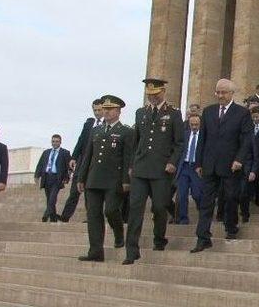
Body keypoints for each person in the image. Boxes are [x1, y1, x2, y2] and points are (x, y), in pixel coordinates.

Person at [123, 78, 184, 265]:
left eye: (156, 94)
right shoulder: (141, 113)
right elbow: (137, 141)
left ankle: (159, 238)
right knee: (135, 209)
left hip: (161, 170)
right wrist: (132, 164)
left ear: (163, 92)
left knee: (159, 207)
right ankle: (131, 251)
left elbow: (179, 143)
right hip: (141, 168)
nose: (153, 98)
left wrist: (172, 162)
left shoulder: (173, 114)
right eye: (150, 95)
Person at [190, 79, 253, 253]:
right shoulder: (209, 112)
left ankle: (231, 227)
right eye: (218, 92)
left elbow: (246, 140)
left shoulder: (242, 113)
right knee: (206, 202)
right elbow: (202, 138)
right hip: (210, 164)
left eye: (223, 92)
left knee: (231, 197)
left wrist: (239, 159)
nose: (220, 95)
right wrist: (198, 162)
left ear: (232, 93)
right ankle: (203, 237)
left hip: (231, 164)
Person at [77, 95, 134, 262]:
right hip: (94, 178)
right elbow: (88, 155)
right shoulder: (96, 131)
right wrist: (82, 177)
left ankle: (118, 232)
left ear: (118, 111)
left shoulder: (126, 132)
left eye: (110, 109)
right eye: (105, 109)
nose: (106, 112)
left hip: (113, 180)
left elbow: (127, 158)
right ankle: (95, 251)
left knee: (110, 210)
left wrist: (126, 180)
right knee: (93, 214)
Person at [59, 99, 104, 222]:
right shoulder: (89, 123)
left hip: (95, 164)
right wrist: (73, 157)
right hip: (82, 162)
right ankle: (64, 217)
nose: (97, 112)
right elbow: (81, 140)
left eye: (99, 110)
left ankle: (91, 218)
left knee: (90, 193)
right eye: (95, 110)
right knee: (74, 192)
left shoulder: (107, 125)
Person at [34, 134, 71, 222]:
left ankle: (46, 214)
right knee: (49, 198)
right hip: (46, 177)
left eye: (57, 141)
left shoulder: (65, 153)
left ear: (60, 142)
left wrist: (67, 178)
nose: (55, 143)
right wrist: (36, 175)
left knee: (52, 198)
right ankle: (53, 219)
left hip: (57, 178)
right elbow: (40, 164)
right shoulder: (46, 152)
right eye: (53, 141)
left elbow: (69, 167)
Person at [174, 114, 203, 225]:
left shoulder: (203, 136)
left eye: (196, 124)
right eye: (192, 124)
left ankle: (203, 213)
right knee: (181, 194)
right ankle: (183, 219)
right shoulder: (185, 135)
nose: (194, 127)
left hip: (197, 167)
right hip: (184, 167)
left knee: (197, 194)